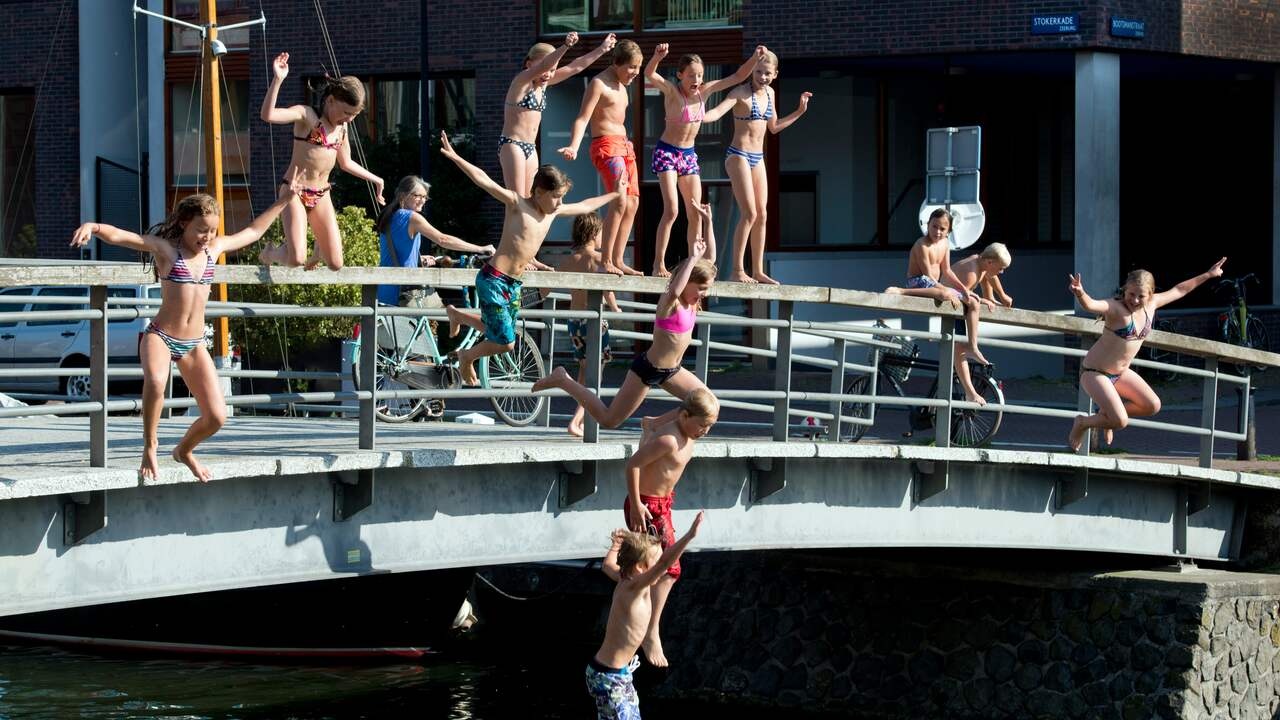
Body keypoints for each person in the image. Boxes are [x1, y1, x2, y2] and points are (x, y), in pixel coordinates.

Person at [68, 183, 302, 482]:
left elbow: (253, 232)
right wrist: (94, 226)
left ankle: (184, 451)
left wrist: (284, 200)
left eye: (213, 231)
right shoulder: (167, 250)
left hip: (193, 344)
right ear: (183, 223)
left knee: (218, 417)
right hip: (161, 336)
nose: (208, 237)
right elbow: (128, 238)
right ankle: (150, 445)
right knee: (155, 381)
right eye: (201, 230)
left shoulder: (213, 250)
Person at [437, 131, 622, 387]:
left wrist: (613, 194)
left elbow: (586, 205)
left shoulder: (552, 213)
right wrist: (456, 157)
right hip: (494, 279)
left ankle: (457, 315)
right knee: (506, 342)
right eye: (556, 196)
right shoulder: (517, 204)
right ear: (538, 192)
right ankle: (466, 356)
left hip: (513, 283)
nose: (560, 203)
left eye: (562, 197)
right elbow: (484, 180)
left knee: (502, 331)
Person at [532, 204, 716, 429]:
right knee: (609, 420)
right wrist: (692, 259)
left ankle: (653, 423)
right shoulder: (672, 302)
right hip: (649, 369)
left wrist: (708, 223)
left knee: (708, 404)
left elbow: (710, 262)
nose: (704, 294)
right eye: (701, 288)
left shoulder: (692, 303)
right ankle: (563, 380)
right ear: (687, 281)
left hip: (673, 371)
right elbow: (676, 289)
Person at [1067, 258, 1227, 451]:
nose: (1134, 300)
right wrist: (1081, 293)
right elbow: (1092, 305)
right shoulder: (1116, 308)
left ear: (1150, 295)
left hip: (1120, 374)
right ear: (1125, 290)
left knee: (1152, 405)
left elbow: (1180, 290)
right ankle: (1083, 423)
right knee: (1120, 421)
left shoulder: (1153, 304)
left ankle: (1106, 416)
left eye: (1140, 296)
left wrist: (1208, 275)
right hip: (1094, 372)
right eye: (1131, 294)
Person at [644, 43, 768, 277]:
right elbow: (649, 74)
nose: (697, 80)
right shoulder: (672, 92)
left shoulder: (706, 91)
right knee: (671, 210)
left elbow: (738, 75)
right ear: (680, 75)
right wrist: (657, 57)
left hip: (689, 154)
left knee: (696, 212)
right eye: (691, 75)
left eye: (700, 75)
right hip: (668, 152)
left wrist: (754, 58)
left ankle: (695, 263)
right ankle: (658, 264)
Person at [259, 52, 385, 270]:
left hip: (321, 194)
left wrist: (377, 179)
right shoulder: (307, 116)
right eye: (347, 112)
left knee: (336, 263)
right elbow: (268, 115)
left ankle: (317, 252)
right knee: (295, 259)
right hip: (294, 192)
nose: (349, 119)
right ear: (330, 100)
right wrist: (278, 80)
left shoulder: (342, 128)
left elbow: (345, 163)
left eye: (354, 115)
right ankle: (271, 253)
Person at [621, 388, 717, 667]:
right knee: (667, 570)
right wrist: (638, 504)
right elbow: (633, 465)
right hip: (647, 507)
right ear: (685, 416)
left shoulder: (684, 429)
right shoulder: (669, 439)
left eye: (710, 426)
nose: (705, 432)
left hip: (663, 505)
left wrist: (649, 425)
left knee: (659, 569)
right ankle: (649, 633)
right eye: (702, 425)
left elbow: (681, 410)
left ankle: (643, 627)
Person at [590, 511, 705, 716]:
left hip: (616, 673)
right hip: (609, 677)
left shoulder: (624, 579)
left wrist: (616, 544)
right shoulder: (634, 587)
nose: (661, 572)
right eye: (655, 562)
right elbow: (664, 565)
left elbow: (607, 565)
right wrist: (689, 536)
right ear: (641, 568)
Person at [884, 209, 993, 403]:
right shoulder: (921, 245)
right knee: (944, 293)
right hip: (919, 282)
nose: (938, 231)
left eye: (943, 228)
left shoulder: (944, 244)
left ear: (949, 231)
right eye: (934, 226)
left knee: (974, 302)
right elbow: (929, 277)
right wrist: (950, 291)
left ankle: (973, 345)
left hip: (937, 284)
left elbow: (948, 271)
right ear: (928, 225)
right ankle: (901, 291)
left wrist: (963, 291)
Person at [722, 50, 811, 284]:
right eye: (758, 72)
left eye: (767, 73)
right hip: (738, 154)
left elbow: (773, 127)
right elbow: (718, 111)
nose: (762, 77)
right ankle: (737, 270)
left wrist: (799, 112)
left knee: (762, 214)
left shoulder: (770, 94)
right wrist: (699, 116)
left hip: (757, 156)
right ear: (752, 71)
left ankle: (758, 270)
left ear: (775, 74)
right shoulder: (740, 92)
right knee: (749, 213)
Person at [558, 39, 645, 276]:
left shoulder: (622, 86)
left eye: (638, 68)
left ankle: (618, 258)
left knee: (633, 203)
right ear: (616, 63)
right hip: (606, 147)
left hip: (625, 147)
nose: (635, 73)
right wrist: (574, 146)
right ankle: (606, 259)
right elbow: (582, 118)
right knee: (619, 200)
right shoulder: (599, 84)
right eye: (631, 67)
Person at [500, 32, 618, 196]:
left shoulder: (543, 85)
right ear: (528, 64)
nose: (548, 74)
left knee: (529, 199)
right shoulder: (521, 82)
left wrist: (602, 49)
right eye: (546, 68)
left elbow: (575, 67)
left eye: (552, 70)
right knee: (516, 200)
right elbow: (543, 66)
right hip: (513, 144)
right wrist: (566, 46)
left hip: (530, 147)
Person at [375, 175, 495, 308]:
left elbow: (394, 249)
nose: (423, 201)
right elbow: (442, 239)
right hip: (404, 292)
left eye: (425, 197)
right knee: (450, 314)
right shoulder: (412, 218)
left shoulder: (389, 215)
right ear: (404, 196)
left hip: (384, 288)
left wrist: (419, 258)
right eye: (418, 196)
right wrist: (480, 248)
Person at [554, 213, 622, 437]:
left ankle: (579, 419)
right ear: (593, 234)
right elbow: (606, 288)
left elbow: (551, 281)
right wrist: (614, 308)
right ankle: (577, 420)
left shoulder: (570, 259)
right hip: (594, 321)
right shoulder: (598, 259)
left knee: (585, 369)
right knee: (594, 373)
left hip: (574, 321)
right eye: (602, 232)